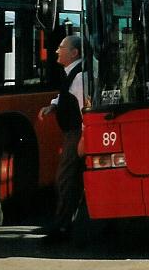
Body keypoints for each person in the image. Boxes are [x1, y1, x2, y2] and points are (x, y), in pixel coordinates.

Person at [35, 34, 84, 242]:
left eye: (61, 47)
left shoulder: (80, 77)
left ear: (74, 53)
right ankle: (68, 225)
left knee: (65, 179)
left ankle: (60, 228)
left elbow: (85, 108)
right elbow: (66, 95)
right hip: (74, 134)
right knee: (72, 180)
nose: (56, 51)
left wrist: (84, 138)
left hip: (77, 134)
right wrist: (53, 105)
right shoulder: (72, 73)